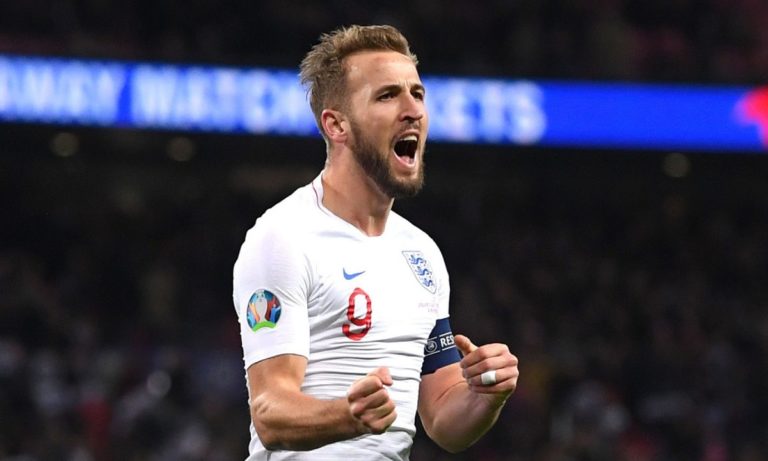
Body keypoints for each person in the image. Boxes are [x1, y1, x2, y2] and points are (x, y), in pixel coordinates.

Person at [232, 24, 519, 460]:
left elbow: (444, 420)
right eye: (387, 96)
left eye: (417, 94)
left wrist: (486, 394)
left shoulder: (420, 253)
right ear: (337, 125)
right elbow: (270, 413)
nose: (413, 110)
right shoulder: (283, 237)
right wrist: (345, 416)